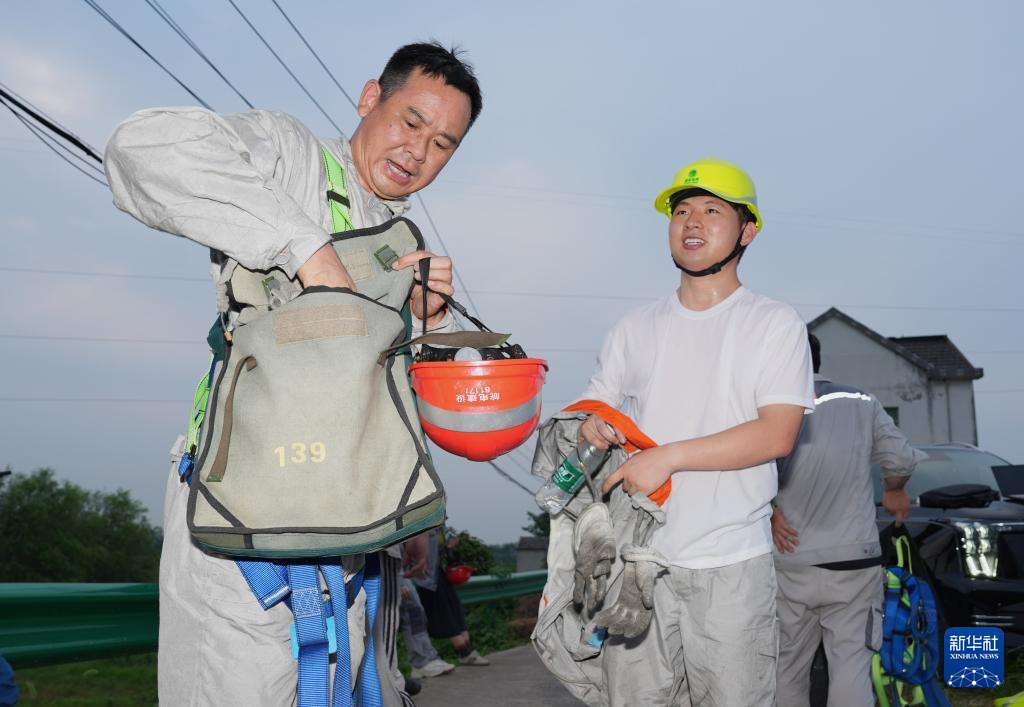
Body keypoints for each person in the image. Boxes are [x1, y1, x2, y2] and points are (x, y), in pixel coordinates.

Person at [103, 42, 482, 707]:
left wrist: (425, 318)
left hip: (360, 525)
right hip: (248, 514)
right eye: (410, 121)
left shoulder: (400, 239)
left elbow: (381, 395)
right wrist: (304, 246)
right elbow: (141, 147)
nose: (418, 151)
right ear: (371, 98)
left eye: (443, 143)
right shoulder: (291, 154)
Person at [578, 158, 814, 706]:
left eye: (712, 210)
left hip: (732, 566)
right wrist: (593, 426)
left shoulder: (773, 323)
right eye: (681, 210)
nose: (691, 222)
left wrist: (669, 457)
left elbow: (777, 434)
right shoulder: (631, 330)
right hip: (638, 564)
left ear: (747, 231)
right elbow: (593, 418)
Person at [771, 333, 926, 707]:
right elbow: (901, 460)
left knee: (787, 669)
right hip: (854, 561)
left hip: (789, 560)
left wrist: (772, 511)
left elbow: (746, 472)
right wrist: (894, 489)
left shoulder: (769, 407)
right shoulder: (861, 400)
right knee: (852, 665)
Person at [413, 527, 490, 667]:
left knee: (455, 612)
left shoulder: (437, 528)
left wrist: (448, 546)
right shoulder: (424, 527)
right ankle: (464, 653)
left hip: (437, 575)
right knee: (444, 615)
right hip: (427, 579)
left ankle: (467, 651)